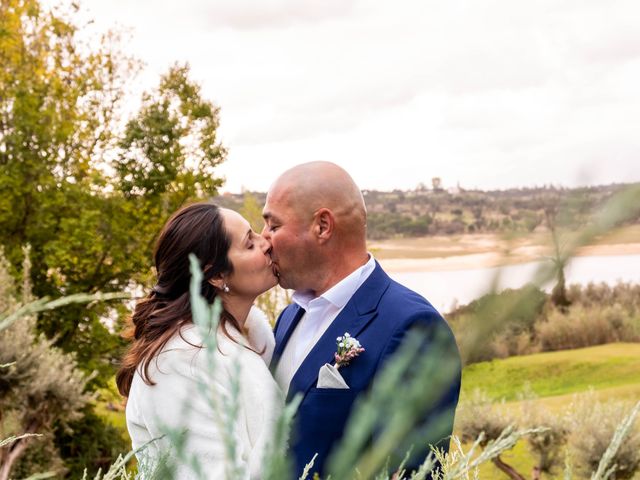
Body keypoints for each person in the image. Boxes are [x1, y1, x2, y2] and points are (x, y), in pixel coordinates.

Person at [262, 161, 461, 478]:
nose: (263, 240)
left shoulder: (413, 327)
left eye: (273, 226)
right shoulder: (289, 316)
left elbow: (412, 469)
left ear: (323, 226)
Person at [116, 202, 281, 479]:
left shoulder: (250, 339)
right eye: (249, 244)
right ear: (216, 275)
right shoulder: (177, 362)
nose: (265, 243)